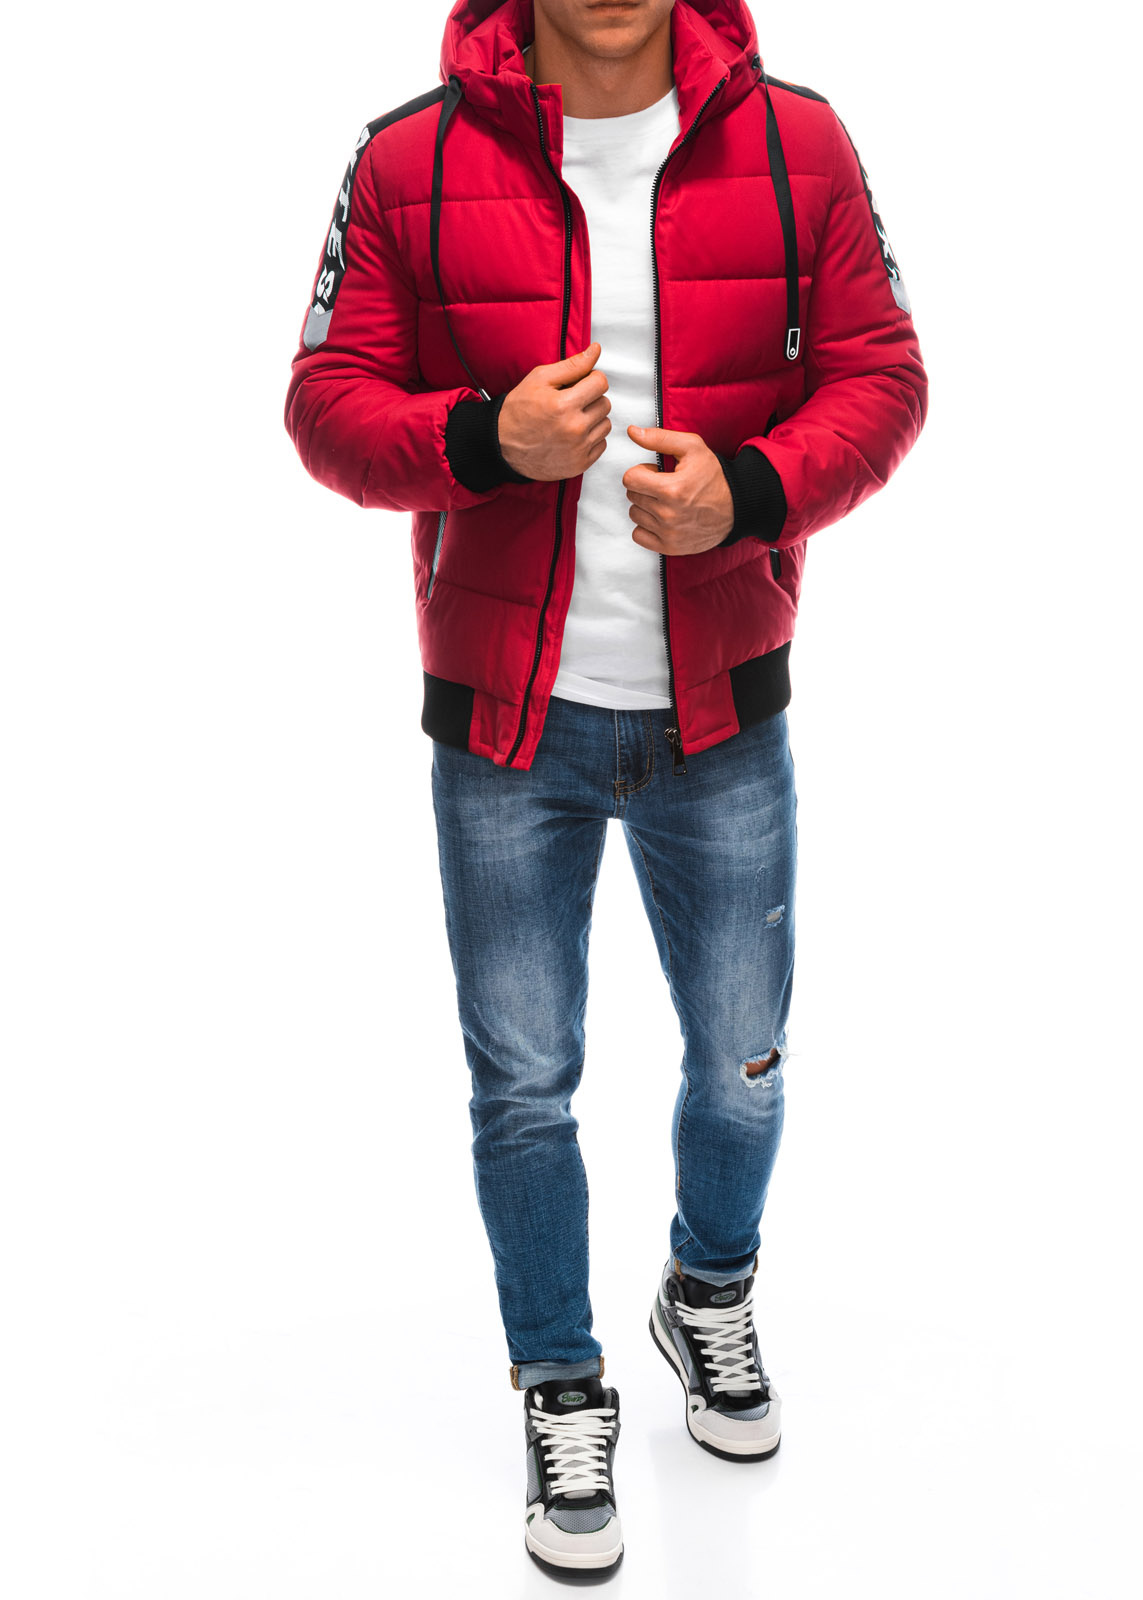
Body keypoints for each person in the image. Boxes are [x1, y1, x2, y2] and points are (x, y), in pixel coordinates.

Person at [284, 0, 926, 1576]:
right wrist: (484, 440)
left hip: (724, 714)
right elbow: (326, 404)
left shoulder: (802, 144)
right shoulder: (408, 160)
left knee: (744, 1065)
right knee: (523, 1083)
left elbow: (884, 379)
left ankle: (707, 1290)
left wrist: (754, 488)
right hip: (507, 728)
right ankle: (560, 1382)